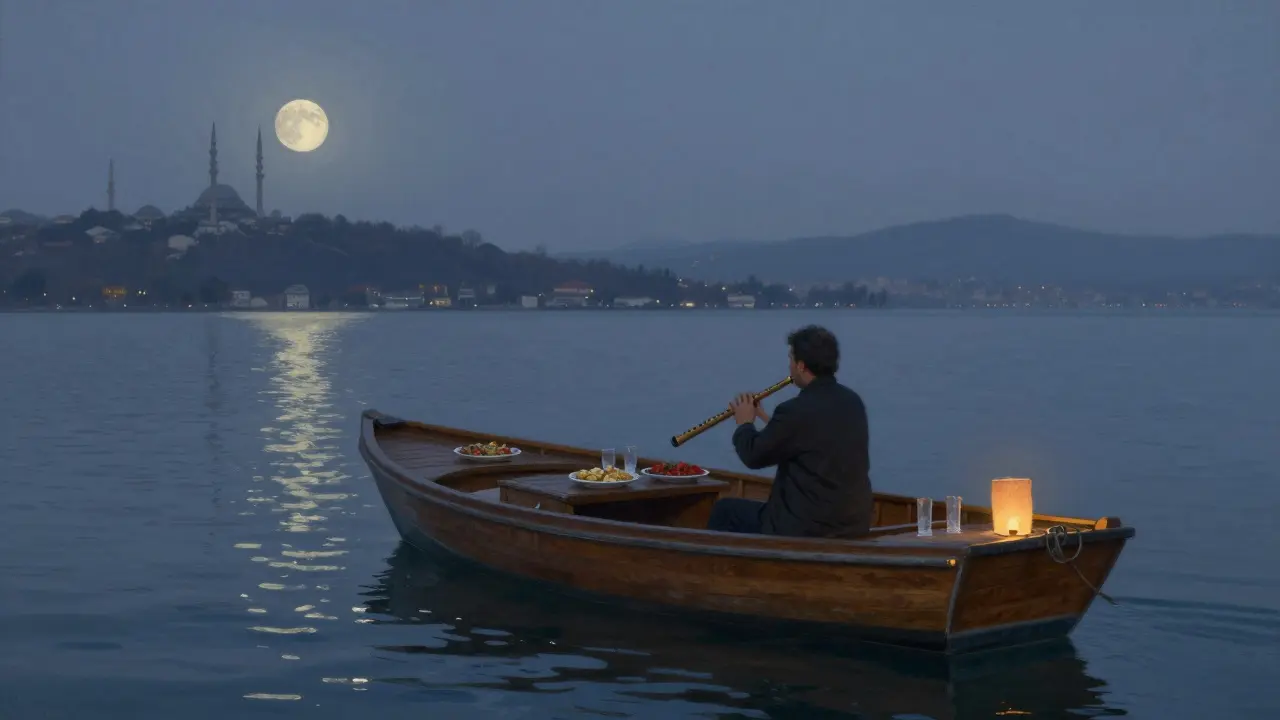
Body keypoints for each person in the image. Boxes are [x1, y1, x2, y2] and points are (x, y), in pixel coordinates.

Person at [706, 325, 873, 538]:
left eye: (791, 359)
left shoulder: (794, 410)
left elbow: (753, 456)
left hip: (805, 527)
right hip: (851, 523)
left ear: (801, 366)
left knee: (725, 510)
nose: (790, 366)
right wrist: (766, 418)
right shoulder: (852, 402)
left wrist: (745, 423)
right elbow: (807, 439)